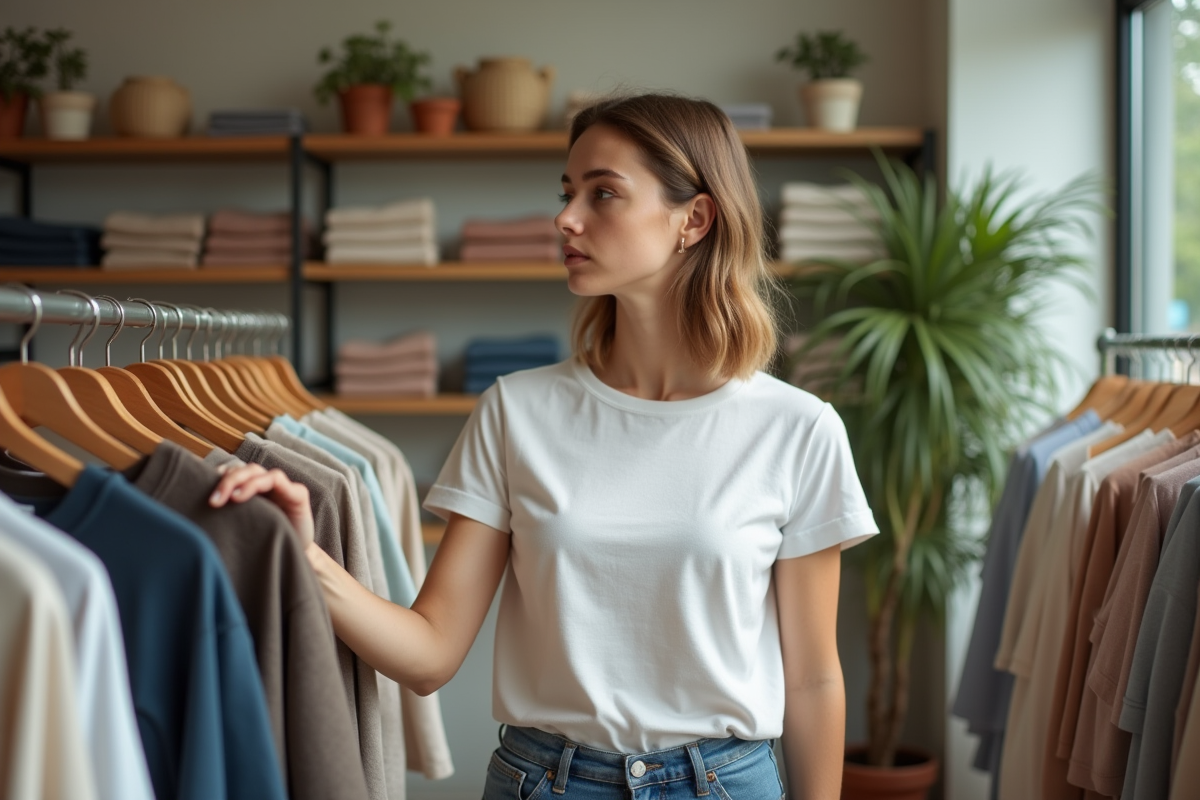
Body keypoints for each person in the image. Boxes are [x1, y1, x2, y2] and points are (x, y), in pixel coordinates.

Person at [211, 94, 878, 800]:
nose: (567, 217)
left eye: (604, 193)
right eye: (567, 192)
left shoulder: (798, 428)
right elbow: (430, 653)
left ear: (695, 219)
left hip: (727, 784)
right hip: (547, 783)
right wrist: (304, 555)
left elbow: (812, 678)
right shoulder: (516, 412)